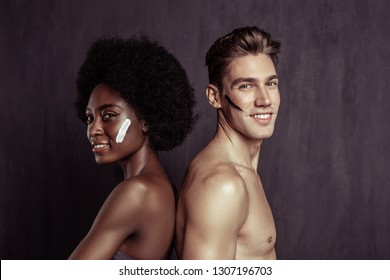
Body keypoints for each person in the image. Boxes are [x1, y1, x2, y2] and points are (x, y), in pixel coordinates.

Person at [69, 36, 197, 260]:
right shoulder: (166, 189)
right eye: (90, 118)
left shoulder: (136, 192)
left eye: (109, 116)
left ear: (145, 119)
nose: (93, 130)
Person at [175, 26, 281, 260]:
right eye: (246, 86)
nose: (265, 100)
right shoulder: (222, 185)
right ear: (215, 97)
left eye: (271, 83)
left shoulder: (242, 171)